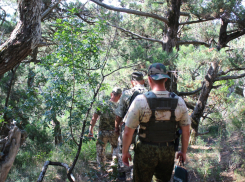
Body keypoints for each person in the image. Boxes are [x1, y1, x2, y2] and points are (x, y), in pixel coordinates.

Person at [122, 63, 191, 182]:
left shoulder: (140, 100)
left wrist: (125, 152)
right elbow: (186, 131)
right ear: (165, 78)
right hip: (168, 150)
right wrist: (183, 152)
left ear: (149, 79)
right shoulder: (179, 102)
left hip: (145, 150)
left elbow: (128, 131)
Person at [114, 71, 148, 180]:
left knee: (122, 149)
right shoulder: (150, 93)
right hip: (144, 129)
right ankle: (136, 175)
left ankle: (121, 175)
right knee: (140, 152)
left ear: (132, 82)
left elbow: (119, 115)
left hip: (128, 128)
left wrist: (116, 127)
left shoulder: (126, 93)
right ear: (143, 81)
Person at [89, 87, 122, 171]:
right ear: (120, 96)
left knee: (100, 149)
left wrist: (91, 130)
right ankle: (114, 166)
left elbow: (94, 118)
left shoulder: (102, 104)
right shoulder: (120, 106)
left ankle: (102, 168)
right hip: (114, 132)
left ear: (111, 94)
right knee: (116, 148)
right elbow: (121, 121)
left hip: (102, 132)